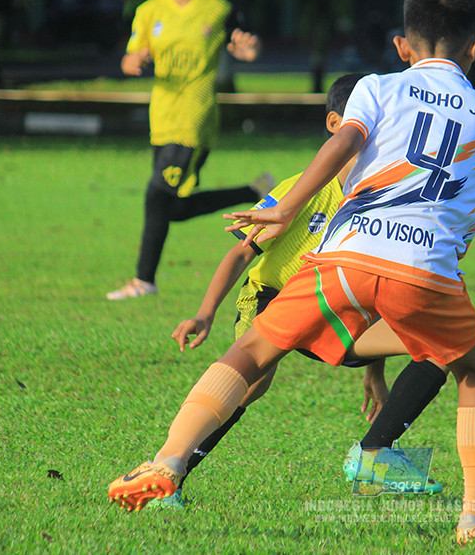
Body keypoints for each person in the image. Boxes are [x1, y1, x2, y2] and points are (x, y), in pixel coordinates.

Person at [107, 0, 475, 544]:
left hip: (343, 258)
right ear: (474, 47)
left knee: (250, 350)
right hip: (427, 275)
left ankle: (168, 460)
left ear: (402, 47)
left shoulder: (376, 87)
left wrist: (285, 204)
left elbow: (343, 142)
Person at [148, 73, 449, 508]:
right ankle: (166, 478)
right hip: (273, 298)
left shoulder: (382, 198)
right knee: (252, 383)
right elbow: (242, 253)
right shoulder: (302, 188)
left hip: (332, 305)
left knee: (441, 343)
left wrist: (375, 372)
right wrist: (205, 312)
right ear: (335, 125)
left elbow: (378, 293)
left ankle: (374, 456)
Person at [107, 0, 273, 300]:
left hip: (195, 115)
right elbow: (131, 54)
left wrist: (250, 50)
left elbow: (247, 41)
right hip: (161, 116)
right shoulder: (149, 11)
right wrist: (131, 61)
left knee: (156, 196)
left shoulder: (217, 9)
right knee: (173, 208)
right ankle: (256, 191)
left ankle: (143, 281)